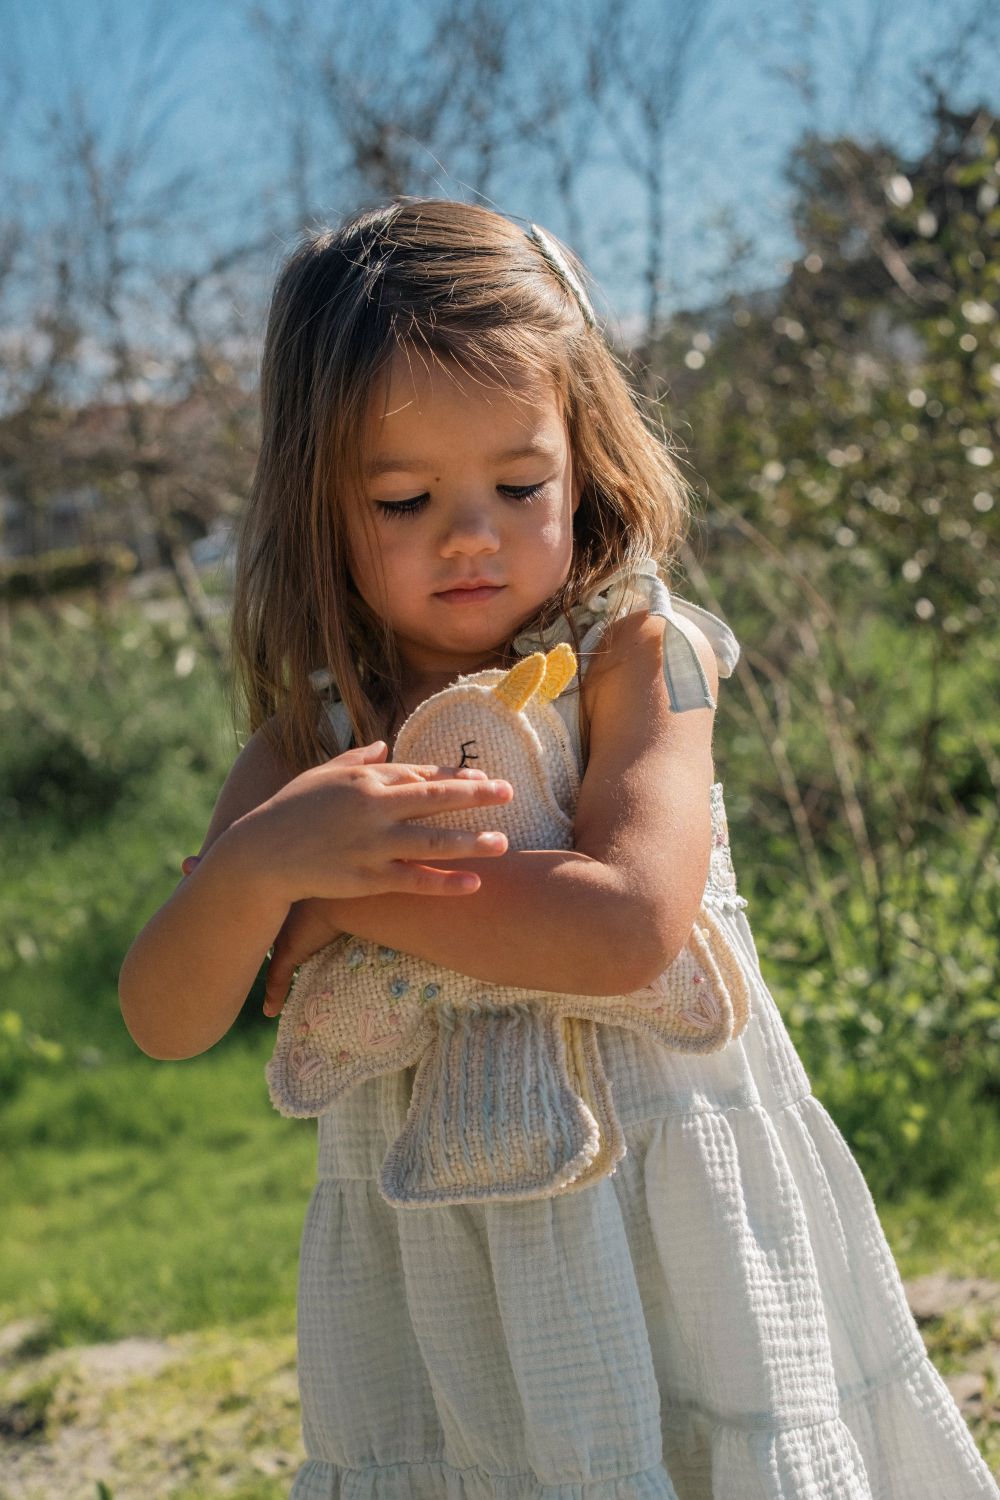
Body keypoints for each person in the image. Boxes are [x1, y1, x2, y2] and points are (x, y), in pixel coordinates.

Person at [119, 199, 999, 1500]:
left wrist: (343, 901)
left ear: (583, 458)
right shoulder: (315, 739)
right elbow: (165, 1019)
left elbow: (624, 923)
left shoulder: (643, 663)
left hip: (674, 1222)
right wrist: (262, 870)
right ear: (320, 507)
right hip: (442, 1272)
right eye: (406, 498)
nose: (471, 532)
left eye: (519, 485)